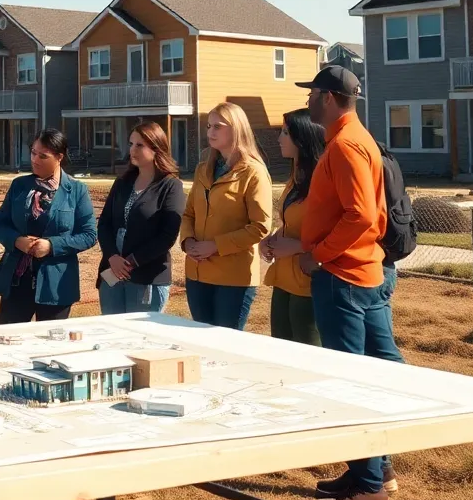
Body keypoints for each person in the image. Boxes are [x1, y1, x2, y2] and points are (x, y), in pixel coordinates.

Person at [296, 65, 402, 500]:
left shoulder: (344, 146)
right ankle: (375, 470)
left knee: (351, 379)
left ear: (327, 97)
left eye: (311, 94)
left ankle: (368, 487)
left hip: (345, 277)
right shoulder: (354, 138)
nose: (306, 103)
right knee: (378, 370)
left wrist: (319, 253)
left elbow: (361, 216)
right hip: (363, 273)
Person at [180, 101, 273, 330]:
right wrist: (188, 241)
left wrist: (215, 246)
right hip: (198, 273)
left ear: (236, 129)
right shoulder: (203, 169)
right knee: (201, 344)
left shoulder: (253, 172)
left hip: (233, 278)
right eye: (209, 126)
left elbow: (260, 226)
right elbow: (188, 213)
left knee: (225, 347)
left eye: (217, 127)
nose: (210, 132)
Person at [0, 128, 97, 323]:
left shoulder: (76, 190)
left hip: (56, 286)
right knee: (8, 341)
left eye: (43, 156)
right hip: (17, 281)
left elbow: (89, 235)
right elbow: (0, 225)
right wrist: (17, 241)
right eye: (33, 152)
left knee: (50, 345)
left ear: (59, 157)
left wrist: (51, 246)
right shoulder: (19, 186)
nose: (35, 160)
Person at [96, 121, 184, 315]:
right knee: (113, 336)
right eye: (130, 144)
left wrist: (130, 262)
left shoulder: (170, 186)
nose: (132, 150)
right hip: (112, 274)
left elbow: (167, 237)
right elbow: (104, 224)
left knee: (139, 341)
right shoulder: (122, 183)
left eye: (139, 145)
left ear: (156, 148)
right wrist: (112, 257)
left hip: (146, 276)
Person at [259, 108, 324, 346]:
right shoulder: (295, 178)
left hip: (307, 281)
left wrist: (297, 247)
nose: (279, 139)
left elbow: (334, 232)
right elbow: (291, 221)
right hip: (283, 278)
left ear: (303, 138)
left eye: (286, 133)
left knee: (307, 353)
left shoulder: (322, 181)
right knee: (280, 348)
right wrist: (272, 238)